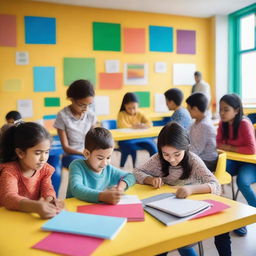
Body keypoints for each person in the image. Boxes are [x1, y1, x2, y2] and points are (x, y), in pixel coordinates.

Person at [134, 122, 231, 256]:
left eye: (177, 154)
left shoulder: (193, 161)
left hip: (192, 209)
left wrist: (191, 190)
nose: (172, 159)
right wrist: (150, 180)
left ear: (186, 148)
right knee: (160, 240)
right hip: (167, 208)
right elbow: (136, 172)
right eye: (166, 154)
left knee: (222, 229)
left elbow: (216, 185)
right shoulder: (157, 159)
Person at [0, 122, 64, 219]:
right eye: (38, 153)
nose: (43, 158)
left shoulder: (45, 169)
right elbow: (9, 197)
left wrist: (51, 201)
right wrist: (35, 206)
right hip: (9, 218)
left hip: (29, 217)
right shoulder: (10, 171)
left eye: (47, 152)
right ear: (20, 153)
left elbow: (48, 189)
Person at [217, 93, 256, 236]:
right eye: (220, 109)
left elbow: (251, 149)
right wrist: (229, 148)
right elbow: (218, 143)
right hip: (235, 161)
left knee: (242, 182)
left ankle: (253, 212)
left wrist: (230, 147)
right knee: (216, 173)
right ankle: (228, 217)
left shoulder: (245, 124)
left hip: (251, 163)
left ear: (237, 110)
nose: (222, 113)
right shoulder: (222, 124)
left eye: (226, 109)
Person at [66, 127, 136, 204]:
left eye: (108, 157)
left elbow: (131, 176)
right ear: (86, 154)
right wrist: (102, 196)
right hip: (74, 209)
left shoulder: (108, 169)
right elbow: (76, 189)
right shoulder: (77, 165)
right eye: (100, 158)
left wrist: (120, 188)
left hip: (94, 209)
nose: (105, 163)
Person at [54, 79, 97, 168]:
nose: (86, 109)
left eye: (89, 105)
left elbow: (95, 139)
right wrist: (83, 153)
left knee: (103, 162)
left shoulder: (91, 115)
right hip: (72, 155)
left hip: (89, 153)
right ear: (71, 99)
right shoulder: (62, 116)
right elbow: (65, 147)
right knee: (84, 165)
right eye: (82, 105)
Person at [117, 92, 157, 167]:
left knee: (153, 146)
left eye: (134, 108)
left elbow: (150, 124)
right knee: (129, 147)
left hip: (140, 138)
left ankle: (154, 167)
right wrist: (134, 126)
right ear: (124, 106)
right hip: (127, 139)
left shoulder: (140, 113)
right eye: (129, 108)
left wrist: (143, 125)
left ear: (137, 105)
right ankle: (124, 165)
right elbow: (122, 125)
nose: (132, 111)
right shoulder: (121, 114)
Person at [186, 93, 218, 172]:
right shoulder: (195, 122)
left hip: (207, 161)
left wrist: (179, 155)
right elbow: (188, 140)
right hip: (199, 156)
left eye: (189, 109)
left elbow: (196, 150)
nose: (188, 112)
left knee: (177, 166)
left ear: (195, 109)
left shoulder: (204, 126)